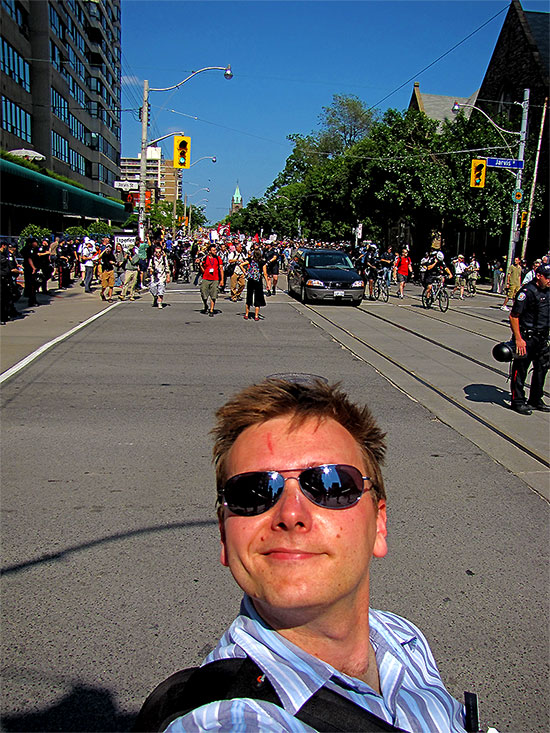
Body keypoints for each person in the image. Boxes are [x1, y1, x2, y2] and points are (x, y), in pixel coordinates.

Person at [135, 378, 468, 732]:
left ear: (379, 524)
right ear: (223, 534)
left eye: (330, 485)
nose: (290, 514)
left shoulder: (403, 639)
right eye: (253, 492)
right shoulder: (229, 722)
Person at [508, 263, 550, 414]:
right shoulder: (527, 292)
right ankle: (517, 400)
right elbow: (514, 316)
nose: (549, 280)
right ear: (539, 276)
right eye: (547, 277)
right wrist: (518, 339)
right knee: (521, 369)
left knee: (542, 369)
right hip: (526, 337)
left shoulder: (548, 291)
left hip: (542, 338)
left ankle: (535, 399)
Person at [200, 244, 224, 317]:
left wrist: (222, 280)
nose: (215, 251)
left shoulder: (218, 258)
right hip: (206, 278)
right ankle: (205, 305)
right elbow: (203, 269)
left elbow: (221, 269)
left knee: (213, 295)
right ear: (209, 251)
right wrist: (200, 265)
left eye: (215, 250)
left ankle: (211, 309)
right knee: (203, 294)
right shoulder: (205, 258)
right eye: (213, 250)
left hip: (215, 279)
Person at [244, 249, 267, 321]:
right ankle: (256, 315)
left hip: (251, 280)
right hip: (258, 281)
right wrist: (267, 283)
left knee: (249, 296)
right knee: (258, 297)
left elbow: (241, 264)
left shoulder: (251, 260)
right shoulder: (262, 262)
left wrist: (246, 272)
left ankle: (247, 314)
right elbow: (265, 273)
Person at [148, 243, 171, 309]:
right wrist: (151, 270)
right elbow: (149, 267)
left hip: (162, 277)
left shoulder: (164, 258)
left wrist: (168, 276)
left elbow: (167, 268)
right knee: (152, 289)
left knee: (161, 291)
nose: (158, 253)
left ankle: (159, 303)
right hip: (154, 277)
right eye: (156, 252)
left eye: (159, 252)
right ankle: (155, 297)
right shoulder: (152, 259)